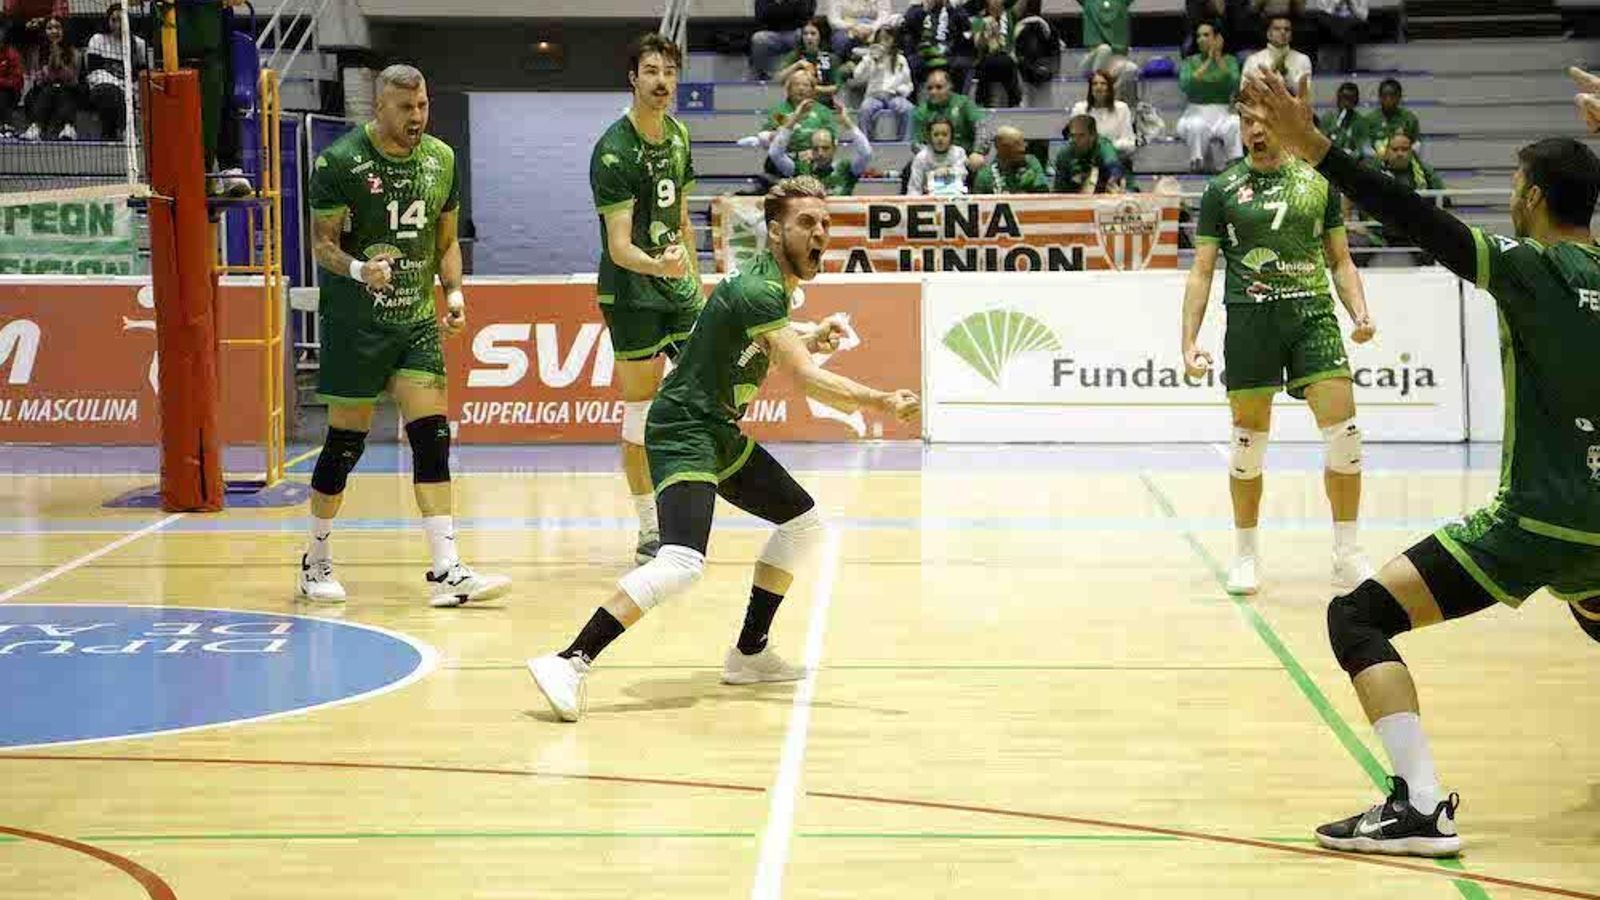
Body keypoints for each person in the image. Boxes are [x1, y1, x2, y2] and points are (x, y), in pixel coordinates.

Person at [1241, 67, 1600, 859]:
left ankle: (1419, 805)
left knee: (1358, 616)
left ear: (1534, 197)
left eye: (1516, 183)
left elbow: (1412, 218)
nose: (1512, 195)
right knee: (1592, 607)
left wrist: (1318, 149)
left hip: (1537, 520)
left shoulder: (1530, 269)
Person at [526, 176, 921, 723]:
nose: (820, 233)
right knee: (682, 562)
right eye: (807, 223)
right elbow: (805, 380)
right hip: (684, 429)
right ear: (777, 230)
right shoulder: (761, 288)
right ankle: (569, 659)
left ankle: (750, 652)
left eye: (826, 223)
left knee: (802, 523)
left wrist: (807, 334)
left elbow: (764, 340)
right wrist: (882, 400)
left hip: (718, 431)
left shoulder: (771, 290)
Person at [299, 65, 510, 607]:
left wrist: (456, 295)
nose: (416, 117)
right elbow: (322, 244)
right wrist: (357, 271)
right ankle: (316, 560)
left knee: (432, 438)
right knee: (345, 444)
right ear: (379, 107)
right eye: (404, 108)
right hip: (355, 323)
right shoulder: (341, 162)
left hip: (415, 321)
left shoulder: (441, 159)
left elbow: (446, 241)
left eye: (422, 106)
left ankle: (447, 569)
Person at [1180, 105, 1377, 597]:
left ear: (1286, 124)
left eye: (1265, 121)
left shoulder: (1318, 184)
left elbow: (1341, 259)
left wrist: (1360, 311)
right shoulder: (1220, 189)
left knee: (1345, 435)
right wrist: (1188, 341)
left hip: (1312, 315)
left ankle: (1346, 554)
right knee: (1247, 444)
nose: (1256, 130)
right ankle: (1246, 557)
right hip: (1250, 322)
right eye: (1247, 122)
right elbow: (1202, 271)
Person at [591, 34, 704, 564]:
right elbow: (618, 246)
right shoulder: (614, 150)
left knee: (709, 389)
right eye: (652, 71)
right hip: (632, 292)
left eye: (669, 71)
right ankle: (650, 527)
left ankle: (693, 499)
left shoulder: (679, 135)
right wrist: (658, 265)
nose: (662, 81)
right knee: (639, 414)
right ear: (633, 78)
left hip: (676, 287)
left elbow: (681, 218)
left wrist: (694, 278)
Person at [1176, 20, 1243, 172]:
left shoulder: (1230, 61)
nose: (1201, 39)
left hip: (1223, 112)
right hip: (1195, 112)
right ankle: (1197, 163)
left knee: (1235, 122)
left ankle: (1234, 161)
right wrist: (1208, 61)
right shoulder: (1189, 62)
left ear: (1217, 38)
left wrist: (1218, 59)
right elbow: (1187, 85)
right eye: (1198, 36)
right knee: (1196, 125)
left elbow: (1234, 84)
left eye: (1206, 35)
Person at [770, 100, 872, 195]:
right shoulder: (800, 169)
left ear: (834, 148)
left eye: (825, 148)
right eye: (815, 148)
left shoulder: (846, 169)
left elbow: (866, 153)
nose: (820, 153)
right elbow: (775, 154)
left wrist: (847, 123)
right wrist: (794, 119)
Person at [84, 3, 147, 141]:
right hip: (102, 87)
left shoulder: (139, 44)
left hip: (130, 90)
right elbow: (94, 73)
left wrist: (130, 88)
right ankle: (126, 131)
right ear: (108, 21)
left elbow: (142, 75)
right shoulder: (98, 40)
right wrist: (119, 85)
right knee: (110, 92)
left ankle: (109, 134)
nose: (118, 24)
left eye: (122, 20)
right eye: (114, 20)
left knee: (121, 97)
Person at [910, 68, 990, 171]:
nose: (933, 92)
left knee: (977, 163)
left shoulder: (964, 103)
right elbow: (916, 143)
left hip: (964, 158)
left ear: (950, 86)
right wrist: (933, 159)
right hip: (934, 159)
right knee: (909, 170)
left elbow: (981, 127)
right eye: (930, 88)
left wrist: (977, 152)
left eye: (939, 87)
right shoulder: (921, 111)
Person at [852, 27, 914, 140]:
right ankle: (866, 143)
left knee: (908, 109)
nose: (883, 42)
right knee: (865, 109)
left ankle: (905, 143)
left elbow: (909, 85)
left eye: (887, 39)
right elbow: (857, 76)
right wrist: (871, 60)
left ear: (893, 40)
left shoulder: (900, 59)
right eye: (880, 39)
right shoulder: (869, 58)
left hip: (894, 96)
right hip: (874, 96)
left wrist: (900, 90)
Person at [20, 16, 73, 141]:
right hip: (43, 90)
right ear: (44, 32)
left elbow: (71, 77)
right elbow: (38, 78)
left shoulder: (73, 51)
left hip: (67, 89)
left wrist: (57, 57)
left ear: (63, 31)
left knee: (62, 90)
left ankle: (68, 127)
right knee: (46, 91)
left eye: (57, 28)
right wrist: (51, 64)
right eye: (49, 28)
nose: (54, 31)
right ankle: (36, 127)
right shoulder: (37, 52)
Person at [903, 0, 973, 92]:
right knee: (911, 64)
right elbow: (908, 25)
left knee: (963, 64)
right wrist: (925, 10)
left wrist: (951, 9)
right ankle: (914, 103)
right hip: (924, 55)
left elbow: (966, 27)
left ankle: (959, 102)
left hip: (949, 55)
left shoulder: (954, 11)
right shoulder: (917, 10)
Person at [1071, 69, 1136, 161]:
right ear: (1090, 89)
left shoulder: (1122, 108)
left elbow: (1129, 143)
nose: (1099, 87)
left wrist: (1107, 147)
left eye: (1103, 84)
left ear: (1110, 88)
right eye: (1095, 84)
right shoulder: (1079, 109)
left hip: (1115, 159)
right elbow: (1073, 140)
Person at [1053, 114, 1124, 194]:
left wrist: (1113, 179)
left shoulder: (1103, 147)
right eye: (1073, 136)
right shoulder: (1064, 154)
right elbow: (1059, 191)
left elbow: (1114, 167)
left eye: (1081, 136)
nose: (1076, 140)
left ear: (1093, 136)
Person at [775, 19, 841, 103]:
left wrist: (811, 88)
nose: (809, 37)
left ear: (821, 36)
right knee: (776, 116)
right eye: (805, 34)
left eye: (813, 34)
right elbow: (779, 79)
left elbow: (836, 87)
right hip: (796, 105)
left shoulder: (831, 58)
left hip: (823, 105)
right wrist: (798, 65)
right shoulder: (794, 56)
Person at [972, 0, 1021, 108]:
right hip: (987, 58)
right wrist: (985, 34)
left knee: (1007, 62)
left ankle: (1015, 103)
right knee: (991, 63)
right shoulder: (978, 20)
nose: (995, 1)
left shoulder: (1010, 15)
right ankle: (981, 102)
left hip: (1007, 57)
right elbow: (978, 45)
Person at [752, 0, 817, 81]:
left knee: (805, 35)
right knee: (758, 38)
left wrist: (779, 7)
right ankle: (763, 74)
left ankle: (806, 70)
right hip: (770, 32)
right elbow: (760, 16)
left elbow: (804, 15)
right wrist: (789, 8)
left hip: (794, 31)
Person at [971, 125, 1048, 193]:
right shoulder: (986, 177)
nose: (1023, 148)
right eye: (1016, 144)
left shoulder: (1031, 162)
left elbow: (1043, 192)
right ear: (1002, 148)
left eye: (1023, 142)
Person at [1241, 15, 1311, 88]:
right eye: (1277, 29)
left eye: (1287, 29)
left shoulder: (1303, 59)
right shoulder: (1253, 60)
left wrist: (1287, 76)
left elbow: (1305, 93)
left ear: (1291, 35)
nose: (1283, 32)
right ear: (1268, 34)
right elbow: (1244, 92)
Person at [907, 116, 969, 195]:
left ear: (951, 136)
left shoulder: (959, 153)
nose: (940, 138)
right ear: (929, 136)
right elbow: (914, 188)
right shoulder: (921, 157)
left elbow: (962, 176)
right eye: (936, 135)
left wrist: (948, 171)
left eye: (944, 134)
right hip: (928, 200)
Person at [1369, 77, 1421, 156]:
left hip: (1403, 162)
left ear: (1399, 97)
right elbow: (1365, 146)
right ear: (1379, 97)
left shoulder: (1409, 118)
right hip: (1377, 163)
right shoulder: (1369, 119)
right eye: (1385, 95)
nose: (1388, 99)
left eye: (1392, 95)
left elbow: (1416, 144)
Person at [1318, 80, 1369, 159]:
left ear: (1356, 101)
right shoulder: (1328, 119)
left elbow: (1362, 148)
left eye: (1350, 99)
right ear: (1338, 99)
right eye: (1344, 98)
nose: (1346, 103)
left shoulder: (1361, 122)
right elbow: (1320, 142)